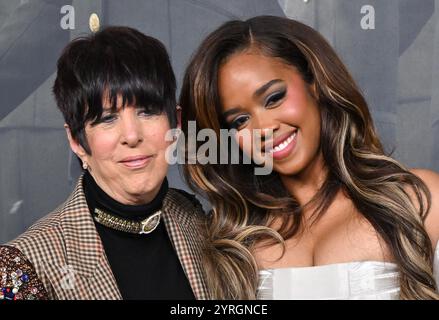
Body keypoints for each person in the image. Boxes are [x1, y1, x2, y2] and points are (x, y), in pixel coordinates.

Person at [179, 15, 439, 299]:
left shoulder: (418, 200)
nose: (264, 129)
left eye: (274, 97)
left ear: (314, 82)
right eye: (240, 120)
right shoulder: (235, 246)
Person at [0, 26, 208, 300]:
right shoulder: (21, 266)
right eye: (108, 118)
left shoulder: (198, 221)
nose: (132, 136)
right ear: (77, 141)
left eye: (147, 111)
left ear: (175, 124)